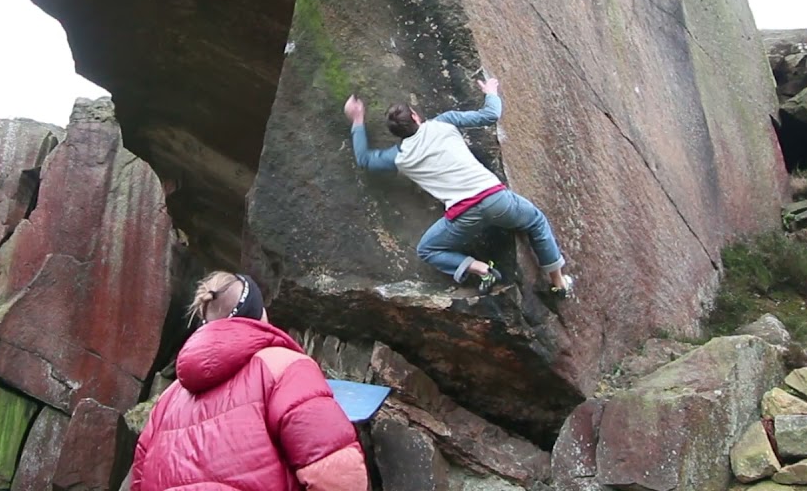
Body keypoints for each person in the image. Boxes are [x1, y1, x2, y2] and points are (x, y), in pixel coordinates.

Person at [131, 271, 369, 491]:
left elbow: (139, 481)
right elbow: (336, 473)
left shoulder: (168, 399)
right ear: (257, 313)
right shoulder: (284, 368)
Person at [344, 77, 573, 297]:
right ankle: (558, 282)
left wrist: (357, 120)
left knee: (428, 249)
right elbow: (490, 114)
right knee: (535, 221)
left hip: (464, 214)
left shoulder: (400, 157)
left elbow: (364, 159)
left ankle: (482, 269)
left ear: (396, 134)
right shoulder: (444, 122)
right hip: (495, 199)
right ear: (415, 116)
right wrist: (491, 92)